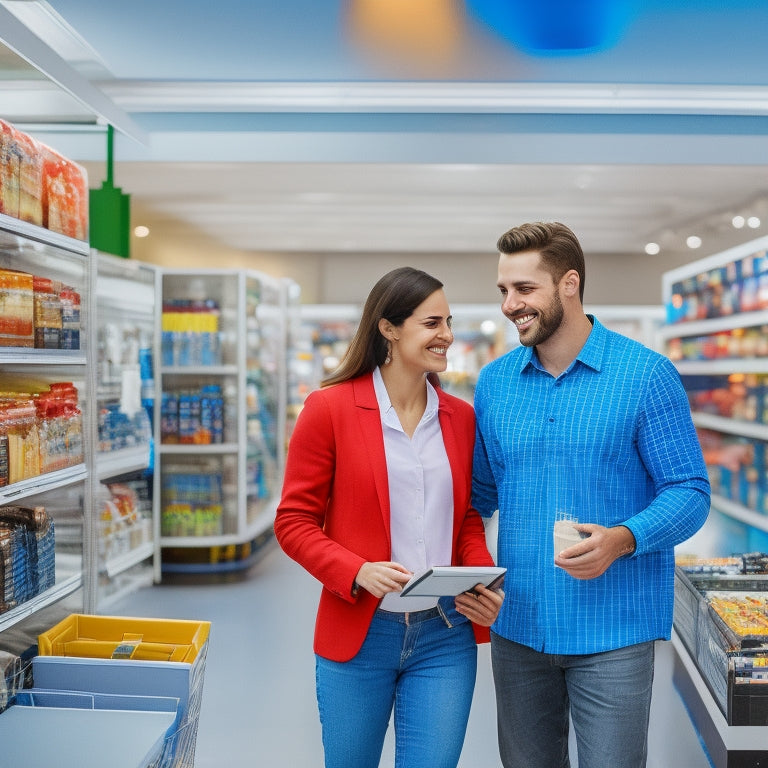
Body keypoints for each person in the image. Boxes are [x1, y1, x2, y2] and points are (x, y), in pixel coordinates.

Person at [471, 222, 710, 768]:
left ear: (569, 283)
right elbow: (478, 497)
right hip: (518, 625)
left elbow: (690, 491)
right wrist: (465, 571)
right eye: (503, 290)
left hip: (614, 632)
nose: (510, 305)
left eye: (525, 289)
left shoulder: (646, 375)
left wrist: (624, 538)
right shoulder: (495, 383)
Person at [274, 266, 504, 768]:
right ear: (388, 328)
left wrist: (479, 577)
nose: (447, 335)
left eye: (449, 322)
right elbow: (293, 523)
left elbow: (465, 516)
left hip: (444, 634)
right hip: (361, 632)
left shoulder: (459, 417)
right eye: (432, 322)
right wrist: (356, 569)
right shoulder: (328, 409)